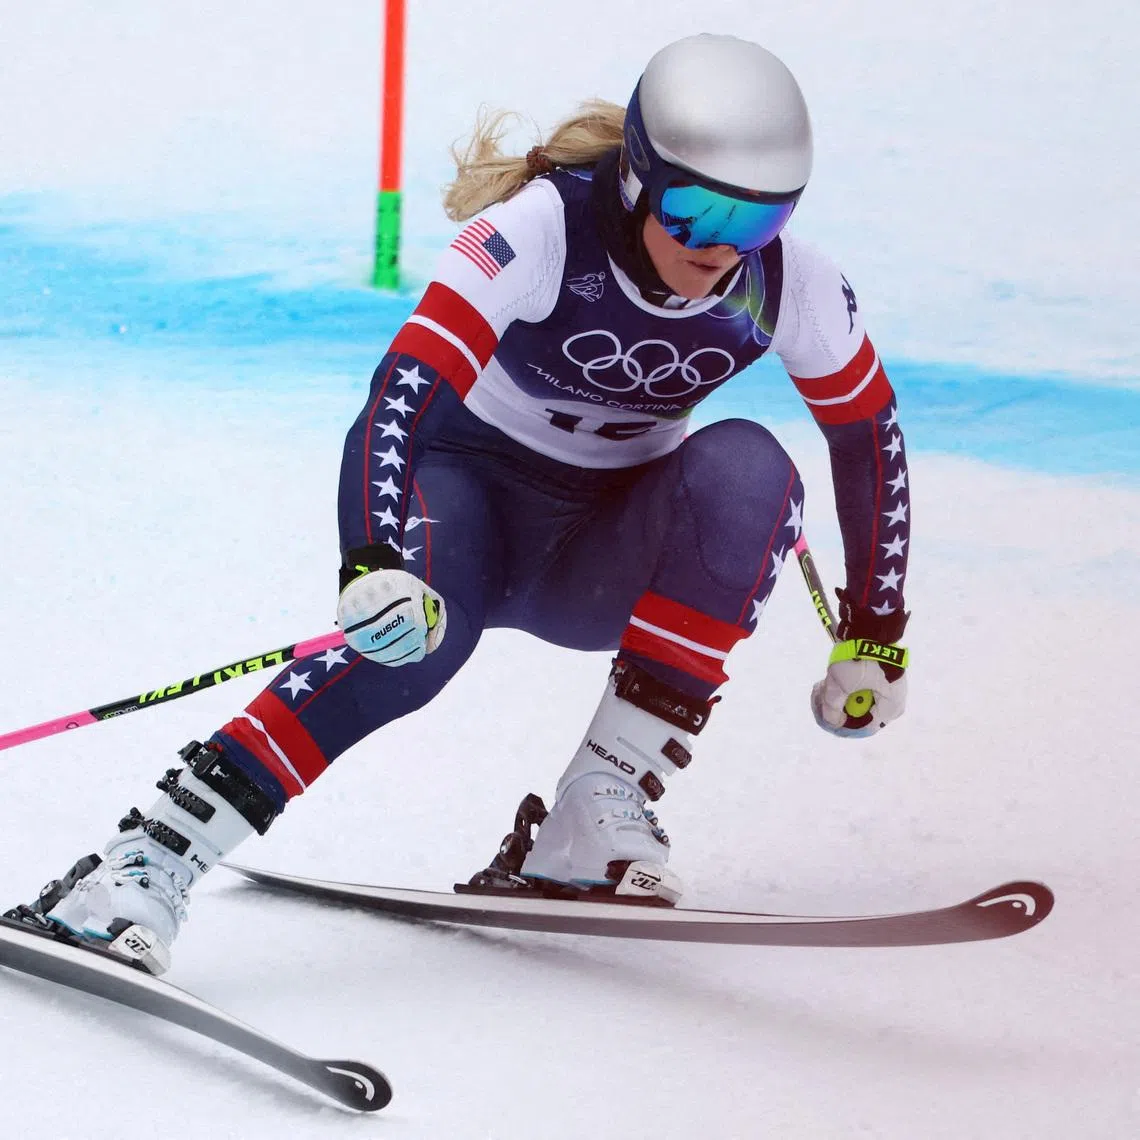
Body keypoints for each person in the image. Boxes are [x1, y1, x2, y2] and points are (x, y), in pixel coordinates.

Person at [10, 33, 910, 975]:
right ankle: (140, 864)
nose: (719, 250)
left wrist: (876, 627)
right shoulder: (541, 232)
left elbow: (869, 435)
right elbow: (398, 393)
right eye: (693, 211)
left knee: (751, 470)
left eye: (756, 223)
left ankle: (591, 815)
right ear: (640, 179)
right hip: (468, 506)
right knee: (413, 652)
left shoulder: (786, 284)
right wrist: (371, 563)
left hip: (601, 555)